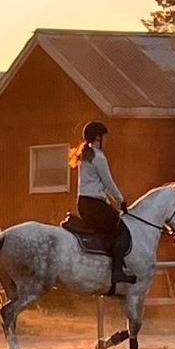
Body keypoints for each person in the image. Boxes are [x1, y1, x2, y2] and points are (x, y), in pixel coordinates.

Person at [69, 121, 136, 285]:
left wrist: (111, 201)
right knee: (121, 229)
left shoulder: (85, 155)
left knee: (108, 230)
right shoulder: (98, 156)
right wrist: (121, 201)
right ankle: (117, 272)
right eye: (105, 137)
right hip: (94, 204)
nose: (107, 140)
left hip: (84, 203)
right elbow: (108, 183)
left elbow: (99, 185)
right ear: (98, 137)